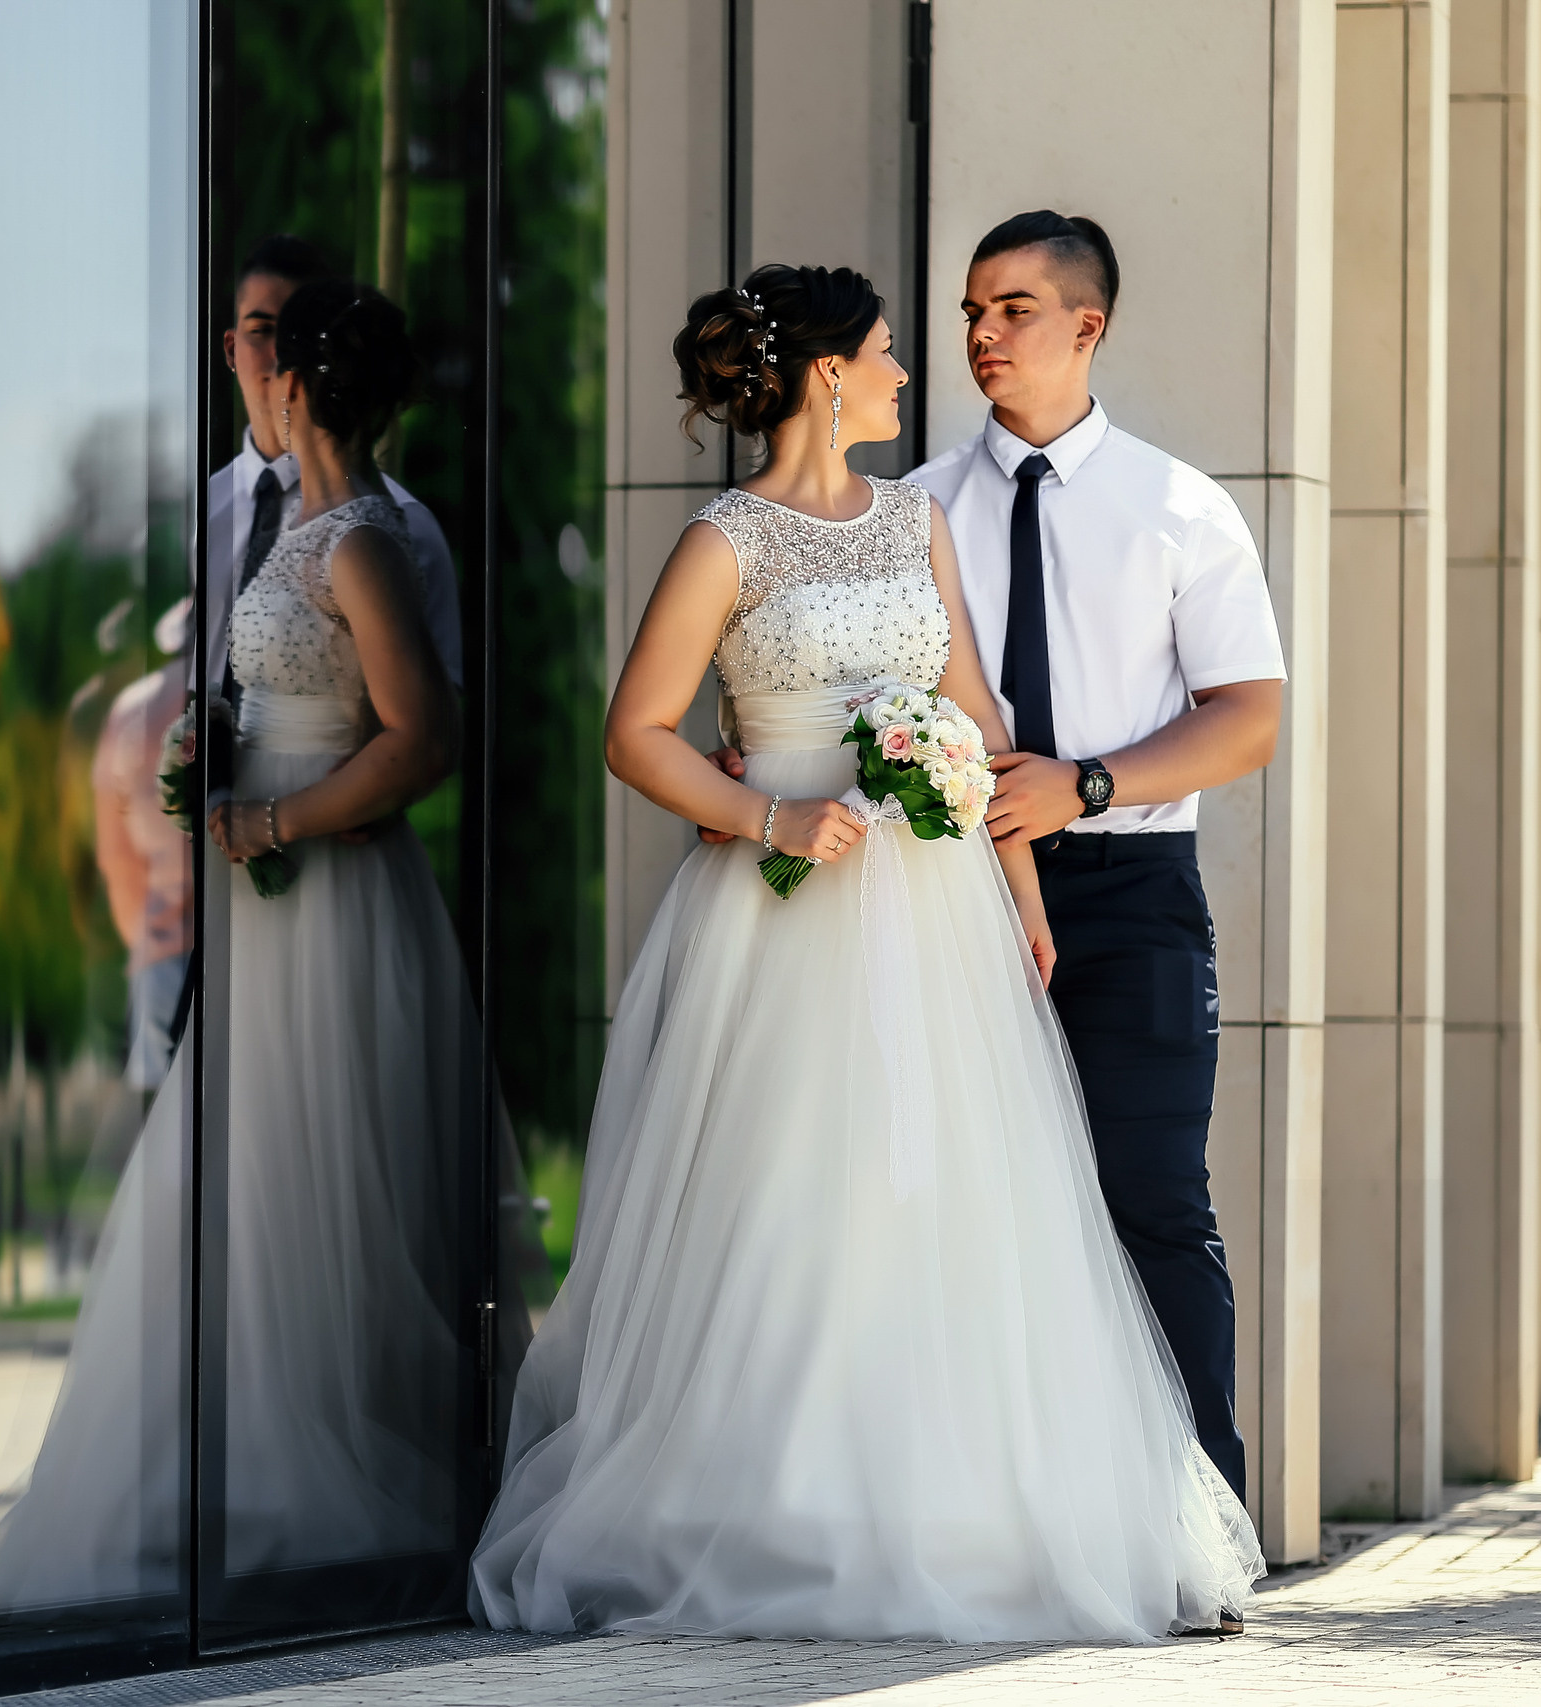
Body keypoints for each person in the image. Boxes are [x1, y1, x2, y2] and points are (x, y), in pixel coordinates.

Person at [469, 264, 1263, 1643]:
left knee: (949, 1200)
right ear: (828, 375)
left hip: (937, 910)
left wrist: (1020, 888)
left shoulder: (916, 524)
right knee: (786, 1198)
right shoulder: (728, 538)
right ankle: (779, 1505)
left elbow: (976, 711)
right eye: (892, 352)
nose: (914, 371)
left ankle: (951, 1501)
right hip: (778, 912)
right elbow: (637, 731)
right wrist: (763, 808)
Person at [0, 280, 481, 1611]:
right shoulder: (303, 527)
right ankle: (237, 1456)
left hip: (327, 892)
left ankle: (313, 1477)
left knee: (319, 1173)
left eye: (267, 369)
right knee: (247, 1179)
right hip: (269, 901)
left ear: (298, 392)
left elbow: (423, 737)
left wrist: (268, 814)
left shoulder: (364, 537)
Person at [905, 211, 1285, 1514]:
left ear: (1089, 326)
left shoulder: (1181, 508)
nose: (983, 335)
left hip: (1133, 900)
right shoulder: (914, 512)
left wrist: (1091, 783)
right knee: (962, 1211)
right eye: (969, 310)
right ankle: (997, 1523)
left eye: (1012, 308)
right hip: (947, 899)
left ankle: (1202, 1522)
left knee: (1153, 1201)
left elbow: (1250, 714)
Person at [208, 235, 462, 702]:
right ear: (230, 348)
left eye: (296, 343)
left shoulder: (407, 530)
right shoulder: (198, 515)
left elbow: (425, 730)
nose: (277, 361)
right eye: (263, 331)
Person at [91, 596, 195, 1091]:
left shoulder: (133, 710)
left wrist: (150, 934)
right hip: (261, 940)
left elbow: (115, 856)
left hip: (163, 947)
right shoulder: (250, 697)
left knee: (170, 1135)